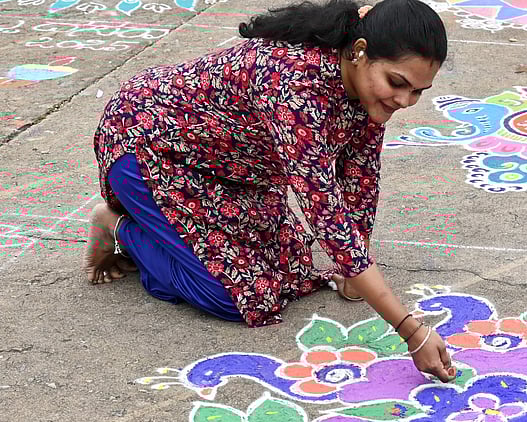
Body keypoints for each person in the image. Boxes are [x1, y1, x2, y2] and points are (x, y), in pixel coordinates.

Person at [83, 0, 456, 381]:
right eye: (397, 83)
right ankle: (117, 226)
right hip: (149, 149)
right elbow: (324, 210)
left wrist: (353, 267)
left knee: (288, 270)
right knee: (234, 297)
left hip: (231, 170)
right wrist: (411, 331)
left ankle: (154, 230)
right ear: (359, 52)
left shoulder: (363, 88)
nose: (405, 101)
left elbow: (360, 177)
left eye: (418, 92)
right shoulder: (293, 82)